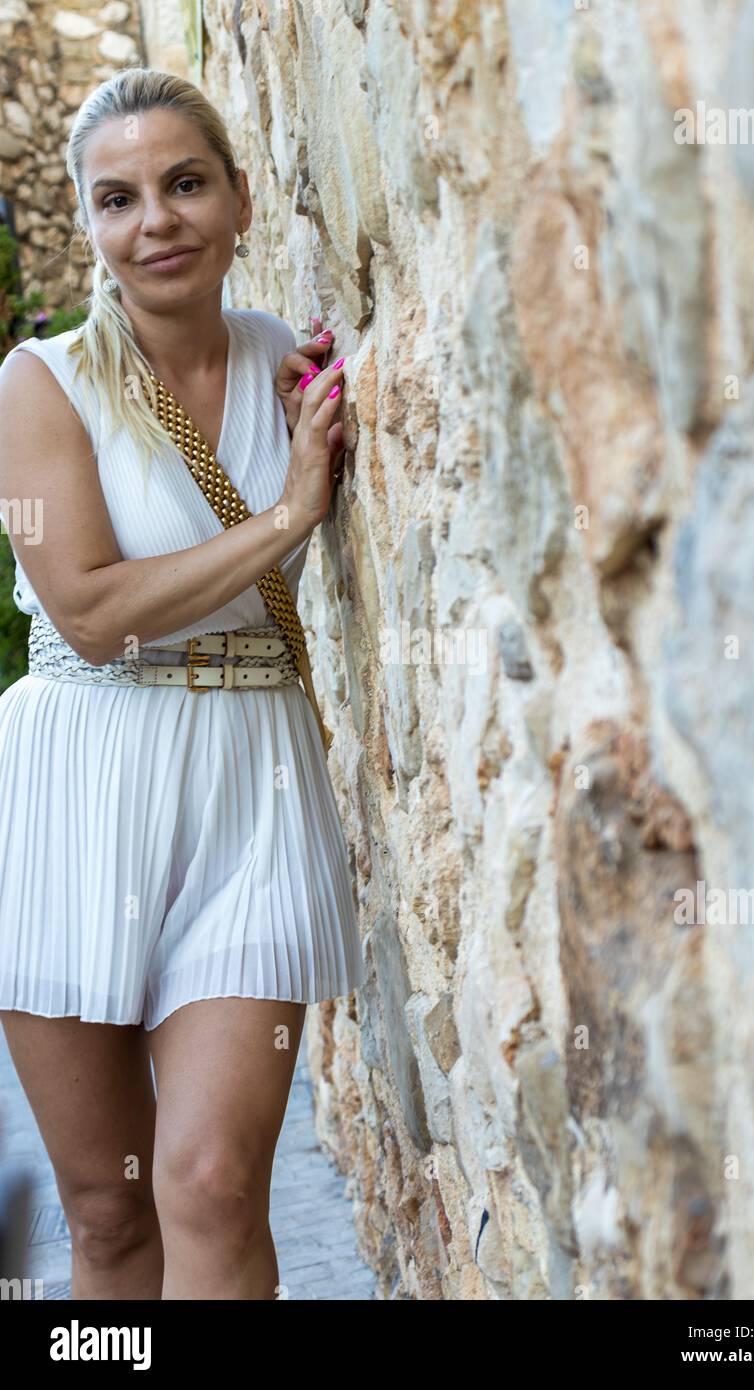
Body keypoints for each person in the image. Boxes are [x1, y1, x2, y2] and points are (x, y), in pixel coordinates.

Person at [0, 67, 364, 1301]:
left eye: (184, 183)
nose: (153, 220)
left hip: (250, 787)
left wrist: (312, 452)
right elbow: (89, 611)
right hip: (77, 789)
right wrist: (284, 518)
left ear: (241, 201)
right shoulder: (35, 385)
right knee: (106, 1209)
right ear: (92, 226)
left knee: (207, 1180)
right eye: (117, 198)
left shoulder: (298, 372)